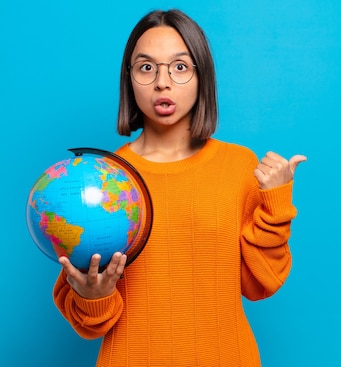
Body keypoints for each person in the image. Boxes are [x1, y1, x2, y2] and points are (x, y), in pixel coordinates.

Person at [53, 8, 306, 367]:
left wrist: (276, 205)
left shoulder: (238, 167)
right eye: (146, 67)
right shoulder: (102, 179)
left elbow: (260, 283)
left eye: (180, 67)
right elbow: (91, 324)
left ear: (203, 76)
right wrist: (95, 295)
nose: (162, 82)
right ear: (128, 79)